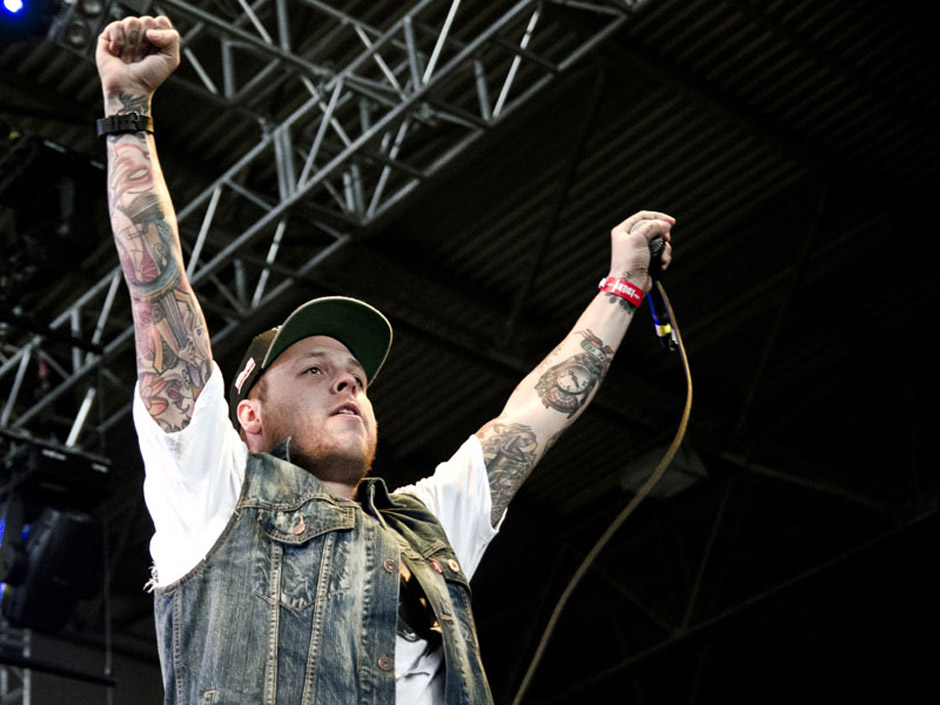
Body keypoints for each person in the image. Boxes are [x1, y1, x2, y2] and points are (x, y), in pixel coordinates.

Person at [95, 14, 674, 705]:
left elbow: (531, 417)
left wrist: (623, 288)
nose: (347, 378)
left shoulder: (423, 525)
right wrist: (128, 111)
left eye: (356, 376)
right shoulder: (214, 489)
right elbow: (159, 294)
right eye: (313, 368)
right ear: (248, 412)